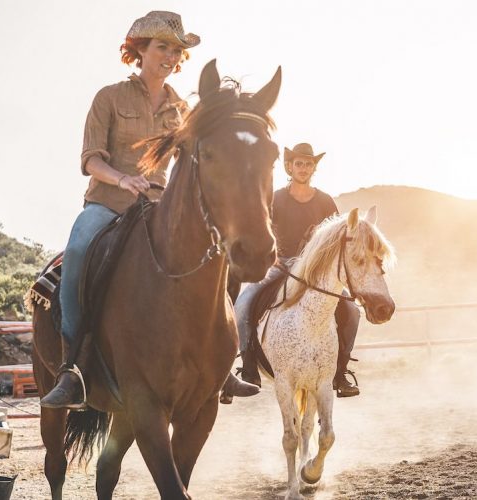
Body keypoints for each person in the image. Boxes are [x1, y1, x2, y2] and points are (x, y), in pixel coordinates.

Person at [40, 11, 258, 409]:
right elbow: (90, 160)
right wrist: (123, 179)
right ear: (139, 49)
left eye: (176, 50)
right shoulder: (109, 97)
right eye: (163, 47)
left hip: (161, 209)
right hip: (107, 204)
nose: (171, 57)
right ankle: (73, 366)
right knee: (77, 251)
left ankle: (222, 366)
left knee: (223, 256)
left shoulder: (181, 109)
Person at [226, 143, 363, 400]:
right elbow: (260, 231)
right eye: (298, 163)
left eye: (308, 164)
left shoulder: (325, 202)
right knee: (243, 304)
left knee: (353, 311)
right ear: (290, 166)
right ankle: (248, 367)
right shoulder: (275, 198)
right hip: (279, 265)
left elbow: (336, 241)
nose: (303, 168)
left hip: (314, 272)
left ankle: (341, 372)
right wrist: (272, 259)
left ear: (314, 167)